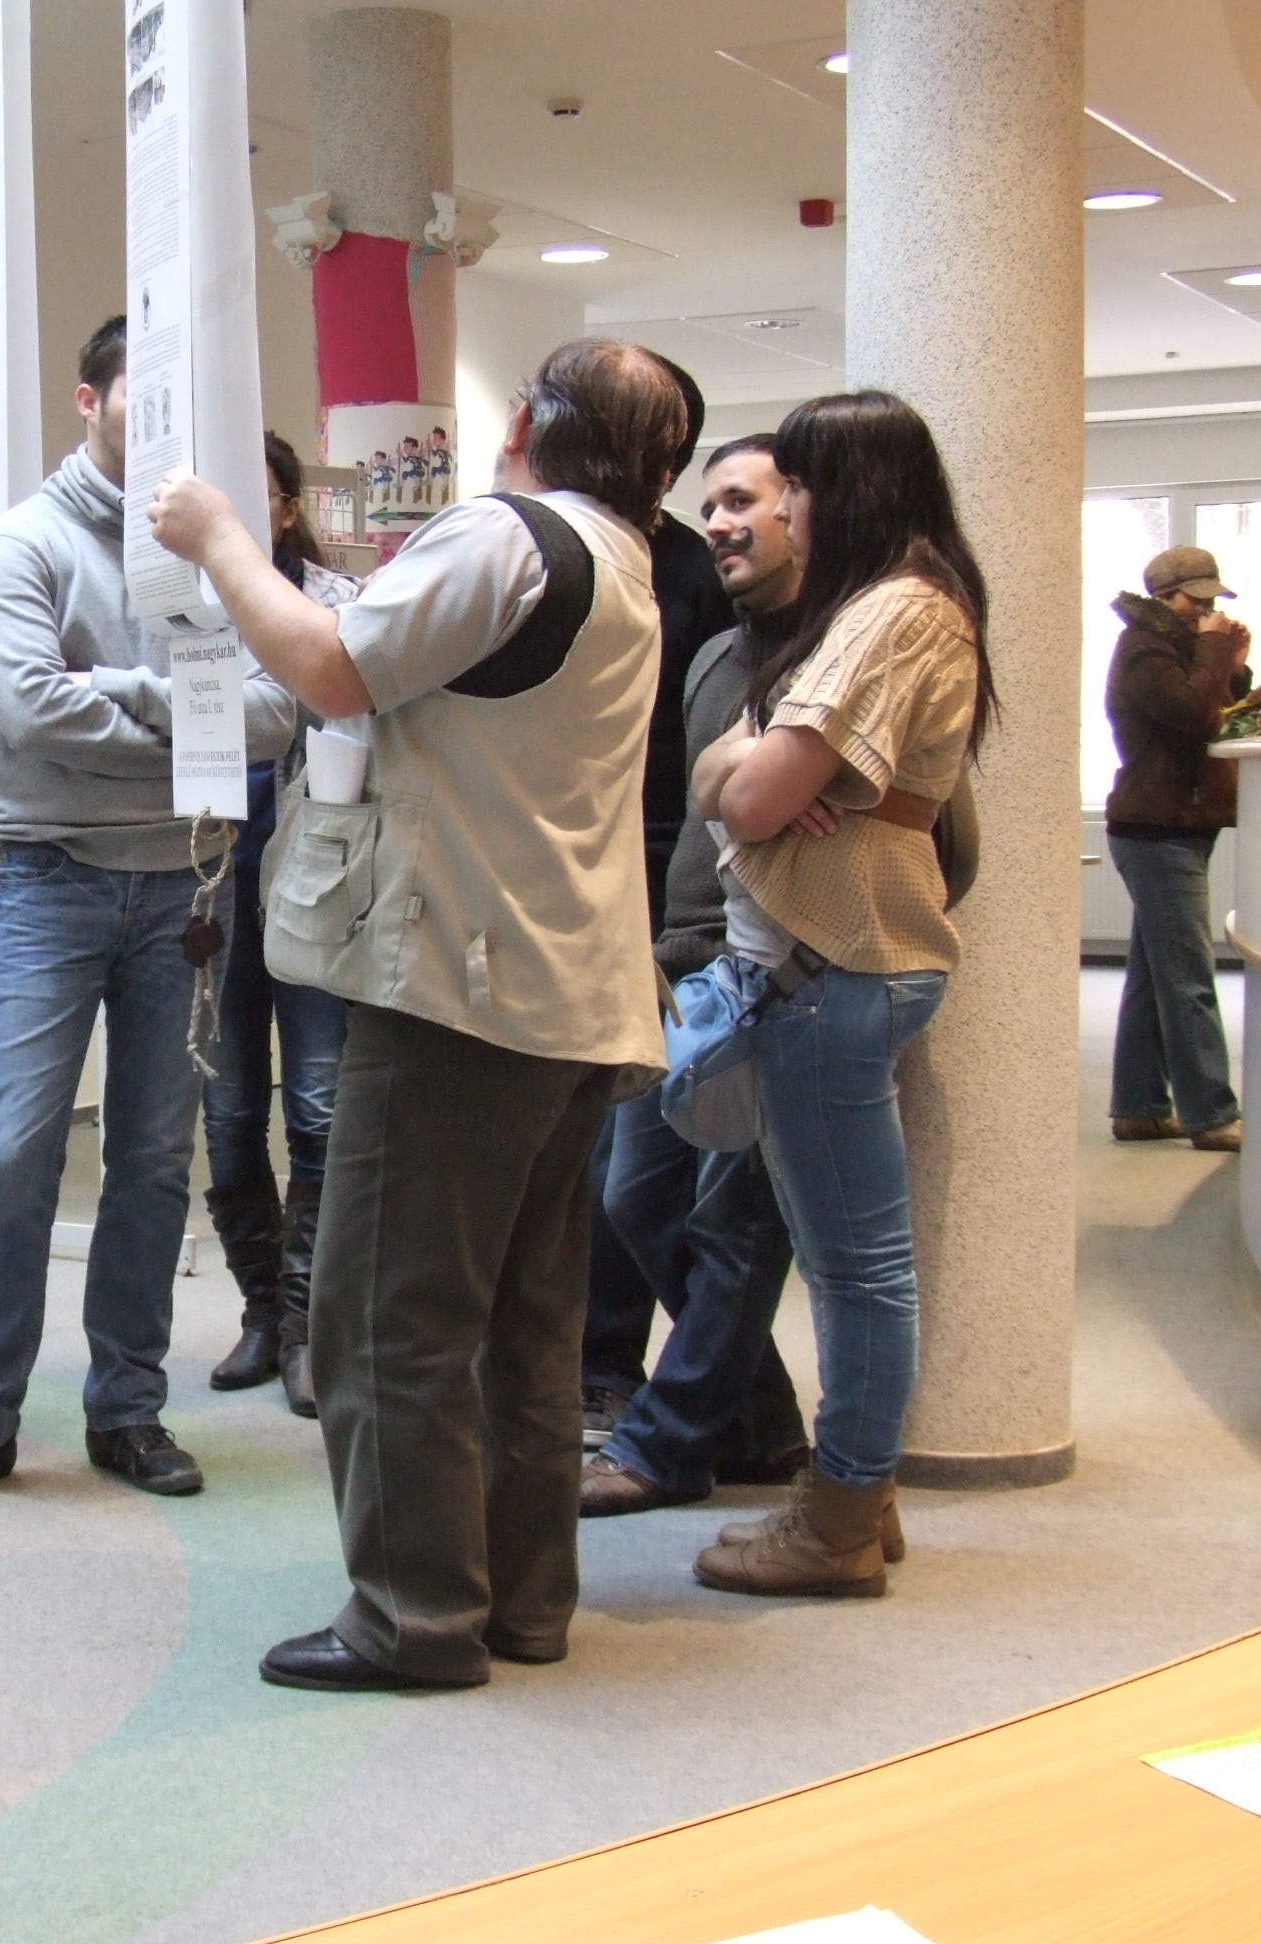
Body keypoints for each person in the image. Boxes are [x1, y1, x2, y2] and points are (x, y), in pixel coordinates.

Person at [151, 337, 682, 1691]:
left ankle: (413, 1618)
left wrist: (220, 540)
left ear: (525, 430)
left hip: (459, 983)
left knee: (387, 1314)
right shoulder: (627, 564)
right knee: (525, 1321)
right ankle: (521, 1600)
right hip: (572, 992)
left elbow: (333, 670)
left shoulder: (508, 536)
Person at [0, 317, 297, 1509]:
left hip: (188, 885)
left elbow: (279, 713)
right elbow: (34, 711)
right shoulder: (21, 545)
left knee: (153, 1157)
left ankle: (128, 1411)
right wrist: (191, 728)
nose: (156, 429)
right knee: (11, 1152)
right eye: (135, 403)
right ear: (87, 401)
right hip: (53, 879)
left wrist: (119, 688)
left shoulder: (222, 548)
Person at [684, 389, 994, 1599]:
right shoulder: (885, 605)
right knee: (845, 1260)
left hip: (832, 970)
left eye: (799, 484)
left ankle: (841, 1520)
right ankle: (861, 1497)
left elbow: (756, 797)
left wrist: (749, 774)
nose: (786, 507)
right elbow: (727, 770)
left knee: (856, 1271)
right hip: (830, 964)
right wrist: (742, 765)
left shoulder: (896, 610)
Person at [581, 433, 811, 1516]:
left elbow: (944, 842)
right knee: (634, 1197)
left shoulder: (844, 659)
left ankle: (666, 1444)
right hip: (681, 966)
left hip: (778, 976)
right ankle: (761, 1424)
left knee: (739, 1226)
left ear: (800, 511)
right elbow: (686, 816)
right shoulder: (717, 655)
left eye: (743, 501)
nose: (719, 522)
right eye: (711, 503)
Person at [579, 354, 739, 1448]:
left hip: (659, 868)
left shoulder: (692, 572)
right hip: (559, 859)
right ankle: (583, 1355)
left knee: (628, 1140)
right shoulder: (551, 549)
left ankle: (607, 1360)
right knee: (579, 1135)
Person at [203, 432, 359, 1415]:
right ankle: (262, 1311)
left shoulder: (337, 606)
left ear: (288, 509)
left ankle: (308, 1325)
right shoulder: (180, 606)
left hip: (314, 884)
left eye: (255, 493)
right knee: (226, 1116)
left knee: (319, 1109)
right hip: (209, 881)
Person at [1105, 546, 1249, 1153]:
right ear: (1165, 598)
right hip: (1156, 833)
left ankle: (1138, 1108)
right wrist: (1215, 650)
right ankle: (1210, 1115)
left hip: (1175, 828)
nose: (1207, 610)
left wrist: (1232, 666)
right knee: (1189, 979)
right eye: (1197, 599)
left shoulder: (1174, 648)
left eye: (1212, 599)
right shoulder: (1143, 649)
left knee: (1153, 976)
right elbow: (1192, 712)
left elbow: (1215, 712)